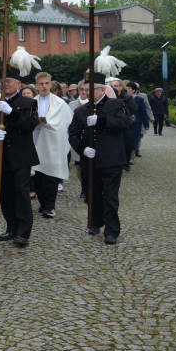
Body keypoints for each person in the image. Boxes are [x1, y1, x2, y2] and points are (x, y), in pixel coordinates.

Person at [68, 79, 131, 244]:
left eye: (90, 89)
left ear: (102, 90)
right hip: (90, 159)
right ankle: (96, 222)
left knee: (110, 195)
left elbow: (126, 122)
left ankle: (112, 229)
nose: (86, 92)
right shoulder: (81, 110)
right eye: (84, 89)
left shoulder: (117, 104)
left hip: (111, 158)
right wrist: (82, 149)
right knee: (92, 193)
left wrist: (102, 120)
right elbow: (73, 134)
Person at [0, 72, 39, 245]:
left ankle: (23, 232)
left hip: (21, 157)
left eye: (9, 81)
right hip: (2, 158)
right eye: (2, 81)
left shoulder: (29, 103)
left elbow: (29, 126)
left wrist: (12, 113)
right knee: (5, 194)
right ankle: (11, 227)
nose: (5, 84)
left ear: (18, 84)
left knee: (21, 193)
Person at [30, 72, 72, 219]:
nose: (44, 86)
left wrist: (47, 122)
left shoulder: (60, 103)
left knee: (51, 175)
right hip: (36, 142)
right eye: (41, 84)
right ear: (36, 86)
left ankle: (50, 206)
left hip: (53, 144)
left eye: (47, 83)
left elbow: (66, 123)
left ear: (51, 84)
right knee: (38, 175)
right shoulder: (32, 103)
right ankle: (43, 202)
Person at [125, 82, 150, 161]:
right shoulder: (122, 99)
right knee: (126, 139)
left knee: (134, 139)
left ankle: (132, 155)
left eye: (129, 88)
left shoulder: (139, 100)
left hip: (136, 123)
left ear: (134, 90)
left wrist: (146, 124)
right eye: (126, 88)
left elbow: (143, 112)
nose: (127, 90)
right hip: (125, 123)